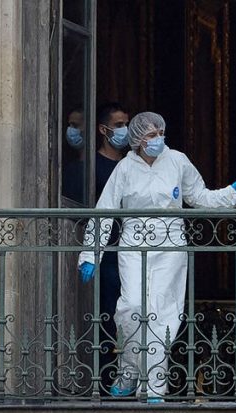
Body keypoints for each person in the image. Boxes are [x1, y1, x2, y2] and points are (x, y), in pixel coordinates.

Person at [77, 111, 236, 402]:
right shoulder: (125, 167)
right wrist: (91, 253)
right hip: (133, 244)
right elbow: (105, 210)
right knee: (131, 306)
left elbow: (198, 196)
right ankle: (129, 371)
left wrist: (230, 195)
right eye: (151, 135)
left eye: (160, 133)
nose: (158, 139)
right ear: (137, 139)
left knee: (163, 314)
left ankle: (154, 386)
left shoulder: (177, 160)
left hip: (170, 244)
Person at [90, 101, 129, 390]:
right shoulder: (91, 167)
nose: (124, 130)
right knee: (107, 314)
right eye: (118, 125)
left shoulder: (132, 165)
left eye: (127, 124)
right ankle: (104, 379)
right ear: (104, 130)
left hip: (133, 249)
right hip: (106, 254)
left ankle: (133, 377)